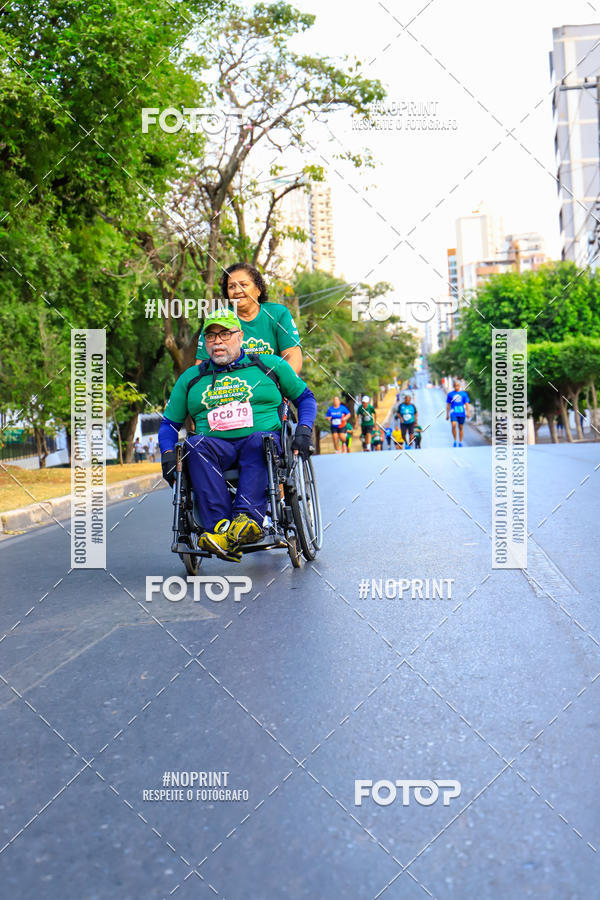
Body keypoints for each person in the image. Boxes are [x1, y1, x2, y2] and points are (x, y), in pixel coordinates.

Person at [159, 309, 317, 561]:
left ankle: (245, 520)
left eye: (224, 334)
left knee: (259, 441)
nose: (217, 341)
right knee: (194, 445)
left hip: (261, 442)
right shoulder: (191, 378)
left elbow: (305, 398)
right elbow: (169, 424)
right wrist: (167, 455)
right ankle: (221, 528)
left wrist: (304, 431)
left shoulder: (270, 365)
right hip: (214, 446)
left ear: (240, 336)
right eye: (210, 336)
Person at [196, 263, 302, 374]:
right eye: (232, 286)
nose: (237, 291)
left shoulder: (278, 314)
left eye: (243, 285)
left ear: (258, 289)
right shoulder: (217, 319)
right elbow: (201, 365)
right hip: (229, 388)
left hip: (272, 384)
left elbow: (293, 357)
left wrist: (278, 386)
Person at [446, 379, 471, 447]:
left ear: (460, 386)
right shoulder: (450, 394)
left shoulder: (463, 394)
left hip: (461, 412)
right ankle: (455, 440)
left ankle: (460, 441)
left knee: (460, 427)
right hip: (453, 412)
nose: (456, 387)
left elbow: (467, 404)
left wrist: (468, 413)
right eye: (455, 385)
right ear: (454, 386)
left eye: (458, 385)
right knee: (453, 425)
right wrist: (447, 414)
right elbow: (448, 404)